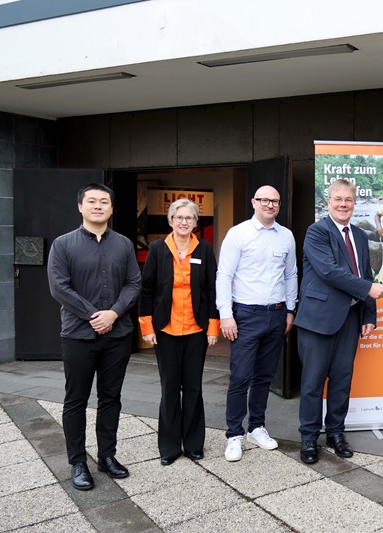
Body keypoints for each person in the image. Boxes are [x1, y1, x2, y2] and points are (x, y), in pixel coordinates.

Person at [47, 183, 141, 490]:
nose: (98, 205)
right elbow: (59, 288)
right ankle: (77, 462)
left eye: (104, 202)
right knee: (75, 400)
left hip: (118, 335)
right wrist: (94, 315)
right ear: (81, 206)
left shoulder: (124, 245)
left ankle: (107, 456)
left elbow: (133, 284)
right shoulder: (63, 244)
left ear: (112, 209)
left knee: (110, 398)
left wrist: (113, 313)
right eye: (92, 201)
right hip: (78, 336)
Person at [294, 178, 383, 464]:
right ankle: (309, 438)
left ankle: (335, 432)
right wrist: (367, 289)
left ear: (354, 202)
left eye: (348, 200)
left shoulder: (360, 236)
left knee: (341, 380)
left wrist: (369, 313)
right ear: (328, 201)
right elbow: (329, 271)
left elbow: (366, 276)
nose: (343, 204)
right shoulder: (316, 232)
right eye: (338, 199)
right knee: (312, 383)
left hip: (350, 318)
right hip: (318, 320)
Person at [216, 185, 298, 462]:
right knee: (240, 377)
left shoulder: (286, 236)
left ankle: (256, 427)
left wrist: (290, 310)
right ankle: (233, 434)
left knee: (265, 376)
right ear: (254, 202)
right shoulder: (238, 234)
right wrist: (225, 314)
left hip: (276, 314)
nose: (270, 205)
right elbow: (224, 275)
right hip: (245, 315)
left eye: (274, 201)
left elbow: (291, 275)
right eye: (264, 200)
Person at [138, 199, 220, 466]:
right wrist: (147, 327)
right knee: (169, 388)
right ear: (171, 220)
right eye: (179, 217)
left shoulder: (204, 248)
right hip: (166, 330)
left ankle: (194, 444)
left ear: (196, 222)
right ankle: (170, 447)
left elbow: (212, 289)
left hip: (197, 330)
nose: (184, 222)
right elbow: (147, 289)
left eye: (189, 218)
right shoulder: (158, 249)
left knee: (194, 388)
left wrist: (213, 326)